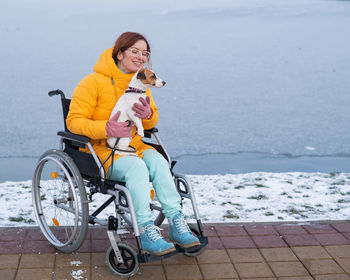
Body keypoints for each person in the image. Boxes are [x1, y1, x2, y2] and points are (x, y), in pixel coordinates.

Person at [66, 32, 199, 255]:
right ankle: (147, 229)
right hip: (103, 151)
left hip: (134, 145)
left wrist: (148, 115)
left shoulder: (141, 81)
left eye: (145, 53)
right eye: (134, 51)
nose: (140, 57)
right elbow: (74, 122)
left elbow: (152, 119)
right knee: (137, 167)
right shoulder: (92, 82)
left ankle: (177, 222)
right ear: (119, 53)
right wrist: (106, 128)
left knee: (158, 161)